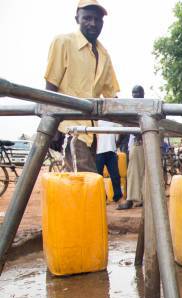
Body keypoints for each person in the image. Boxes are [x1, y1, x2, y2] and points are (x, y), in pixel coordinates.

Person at [44, 0, 119, 172]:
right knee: (88, 180)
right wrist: (51, 127)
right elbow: (50, 87)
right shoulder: (63, 42)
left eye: (98, 20)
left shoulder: (104, 54)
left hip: (91, 133)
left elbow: (111, 95)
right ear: (76, 18)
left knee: (79, 183)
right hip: (69, 128)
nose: (93, 23)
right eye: (87, 18)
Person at [118, 86, 145, 210]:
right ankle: (137, 198)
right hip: (133, 143)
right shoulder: (133, 108)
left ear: (142, 94)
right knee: (134, 172)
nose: (135, 95)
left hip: (139, 143)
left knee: (134, 172)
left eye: (137, 93)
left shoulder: (142, 108)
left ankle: (131, 199)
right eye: (133, 93)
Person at [95, 120, 123, 202]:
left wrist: (117, 144)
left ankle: (118, 197)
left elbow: (122, 128)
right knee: (98, 177)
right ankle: (102, 197)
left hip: (111, 151)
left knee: (116, 176)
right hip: (99, 152)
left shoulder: (112, 119)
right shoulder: (96, 120)